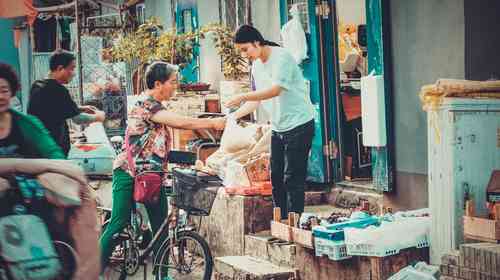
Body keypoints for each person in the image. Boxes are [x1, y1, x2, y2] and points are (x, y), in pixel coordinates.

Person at [100, 61, 225, 274]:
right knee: (118, 223)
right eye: (173, 82)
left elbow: (155, 144)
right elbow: (180, 123)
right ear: (158, 84)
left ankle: (162, 274)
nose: (176, 86)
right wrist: (212, 123)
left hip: (152, 176)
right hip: (128, 173)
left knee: (161, 228)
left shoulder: (158, 106)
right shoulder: (146, 105)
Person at [225, 25, 315, 219]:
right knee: (275, 177)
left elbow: (276, 90)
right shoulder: (257, 65)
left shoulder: (281, 57)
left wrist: (242, 96)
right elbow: (257, 101)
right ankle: (280, 220)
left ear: (257, 42)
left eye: (245, 49)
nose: (244, 55)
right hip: (278, 126)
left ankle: (295, 222)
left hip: (299, 124)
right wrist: (233, 116)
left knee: (292, 178)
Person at [28, 50, 106, 156]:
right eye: (72, 68)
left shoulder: (37, 85)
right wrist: (98, 117)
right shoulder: (59, 90)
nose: (73, 74)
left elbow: (53, 108)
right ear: (60, 68)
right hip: (53, 149)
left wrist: (80, 108)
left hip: (37, 146)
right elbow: (78, 119)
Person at [0, 62, 65, 159]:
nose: (1, 96)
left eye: (4, 91)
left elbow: (54, 154)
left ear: (12, 92)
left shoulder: (27, 124)